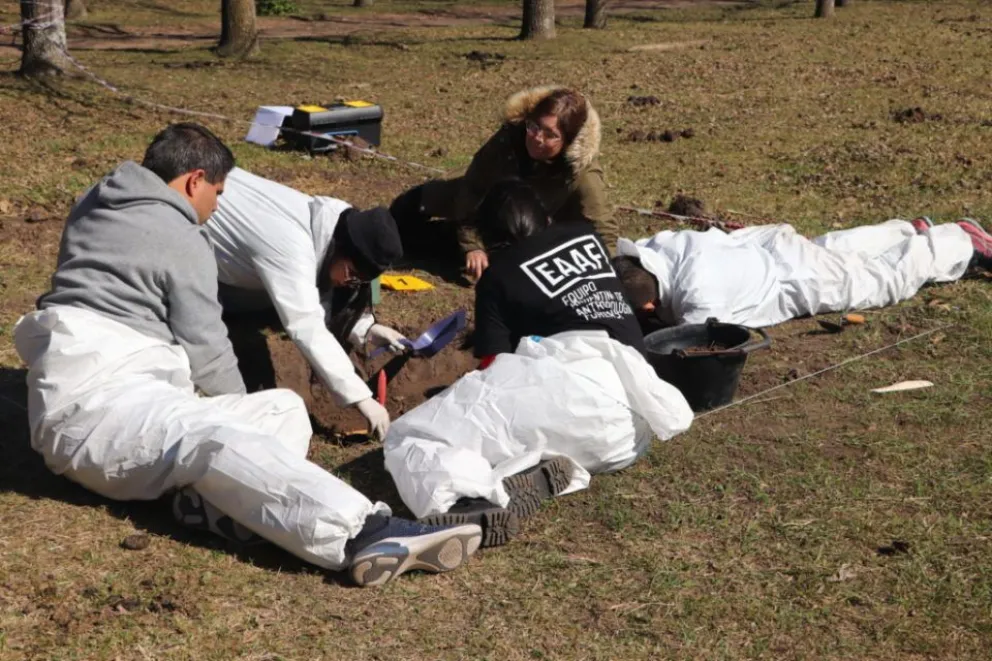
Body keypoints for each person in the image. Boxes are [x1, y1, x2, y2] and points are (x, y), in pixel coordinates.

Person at [14, 123, 481, 587]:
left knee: (284, 408)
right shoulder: (184, 238)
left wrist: (358, 328)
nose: (217, 206)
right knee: (217, 437)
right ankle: (362, 532)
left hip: (113, 389)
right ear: (194, 181)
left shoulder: (98, 199)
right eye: (217, 192)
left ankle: (207, 506)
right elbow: (208, 350)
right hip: (96, 408)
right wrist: (233, 414)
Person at [382, 182, 693, 548]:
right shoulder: (585, 235)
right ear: (546, 217)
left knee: (411, 435)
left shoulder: (497, 278)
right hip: (633, 428)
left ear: (489, 239)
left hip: (575, 390)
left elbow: (494, 366)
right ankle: (528, 470)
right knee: (523, 424)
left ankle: (461, 501)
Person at [205, 168, 409, 440]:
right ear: (342, 250)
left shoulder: (337, 226)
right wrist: (362, 398)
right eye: (352, 275)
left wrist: (366, 330)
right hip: (193, 235)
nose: (351, 284)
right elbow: (305, 323)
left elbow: (322, 282)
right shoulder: (289, 247)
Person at [390, 86, 616, 280]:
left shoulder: (582, 173)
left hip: (525, 229)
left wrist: (611, 279)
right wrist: (472, 247)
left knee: (431, 245)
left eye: (550, 134)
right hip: (477, 199)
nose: (537, 138)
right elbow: (473, 187)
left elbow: (603, 229)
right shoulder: (509, 137)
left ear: (568, 140)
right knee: (402, 213)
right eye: (534, 126)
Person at [613, 217, 991, 332]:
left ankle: (958, 241)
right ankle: (902, 232)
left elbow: (690, 341)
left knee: (881, 282)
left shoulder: (700, 295)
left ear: (650, 303)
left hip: (795, 279)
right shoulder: (653, 248)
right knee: (836, 250)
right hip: (768, 246)